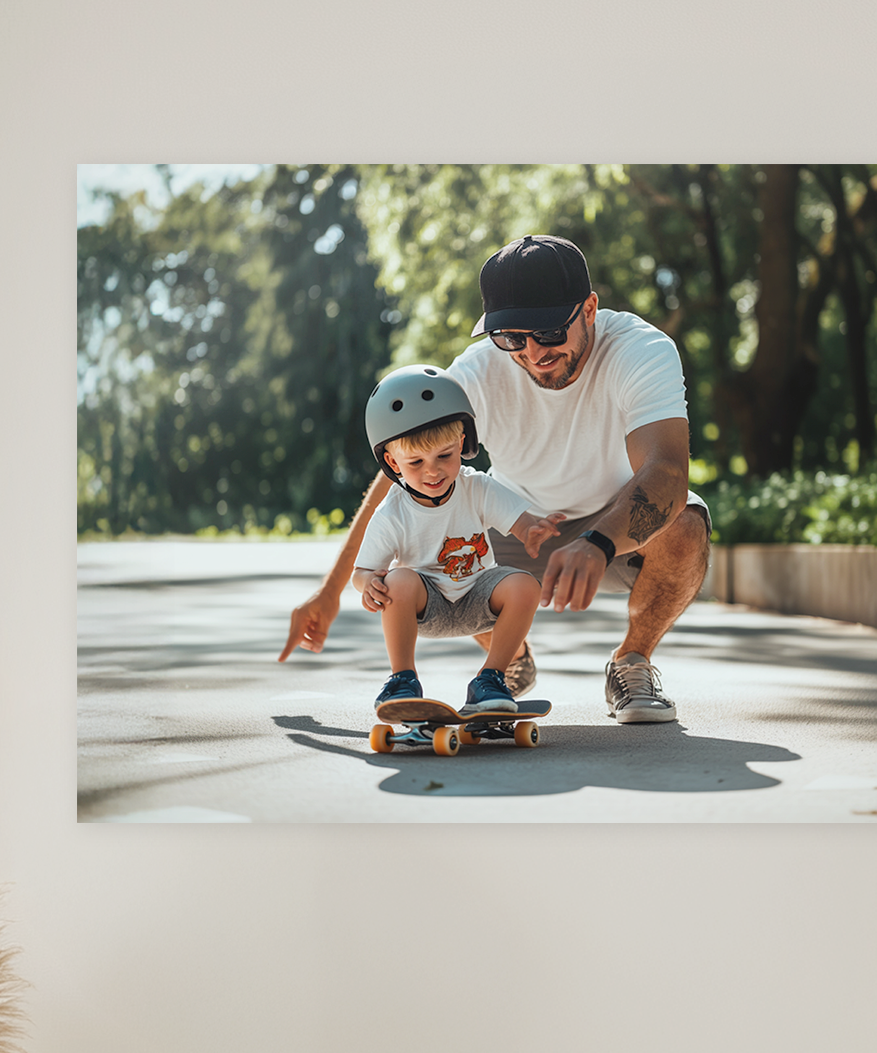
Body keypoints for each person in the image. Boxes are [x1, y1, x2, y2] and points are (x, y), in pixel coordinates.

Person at [281, 233, 708, 726]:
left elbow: (668, 472)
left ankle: (631, 662)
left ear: (589, 309)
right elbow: (401, 480)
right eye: (510, 338)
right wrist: (330, 592)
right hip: (512, 524)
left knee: (685, 525)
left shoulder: (640, 350)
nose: (532, 352)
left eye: (549, 332)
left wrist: (597, 542)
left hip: (616, 526)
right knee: (428, 531)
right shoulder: (476, 374)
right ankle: (508, 663)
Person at [353, 365, 559, 717]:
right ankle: (402, 679)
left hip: (479, 597)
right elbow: (363, 571)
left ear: (462, 443)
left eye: (444, 456)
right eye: (416, 461)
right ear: (392, 462)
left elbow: (518, 520)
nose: (432, 471)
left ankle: (490, 679)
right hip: (426, 605)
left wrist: (532, 530)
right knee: (397, 578)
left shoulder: (475, 486)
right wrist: (369, 584)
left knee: (525, 586)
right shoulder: (392, 513)